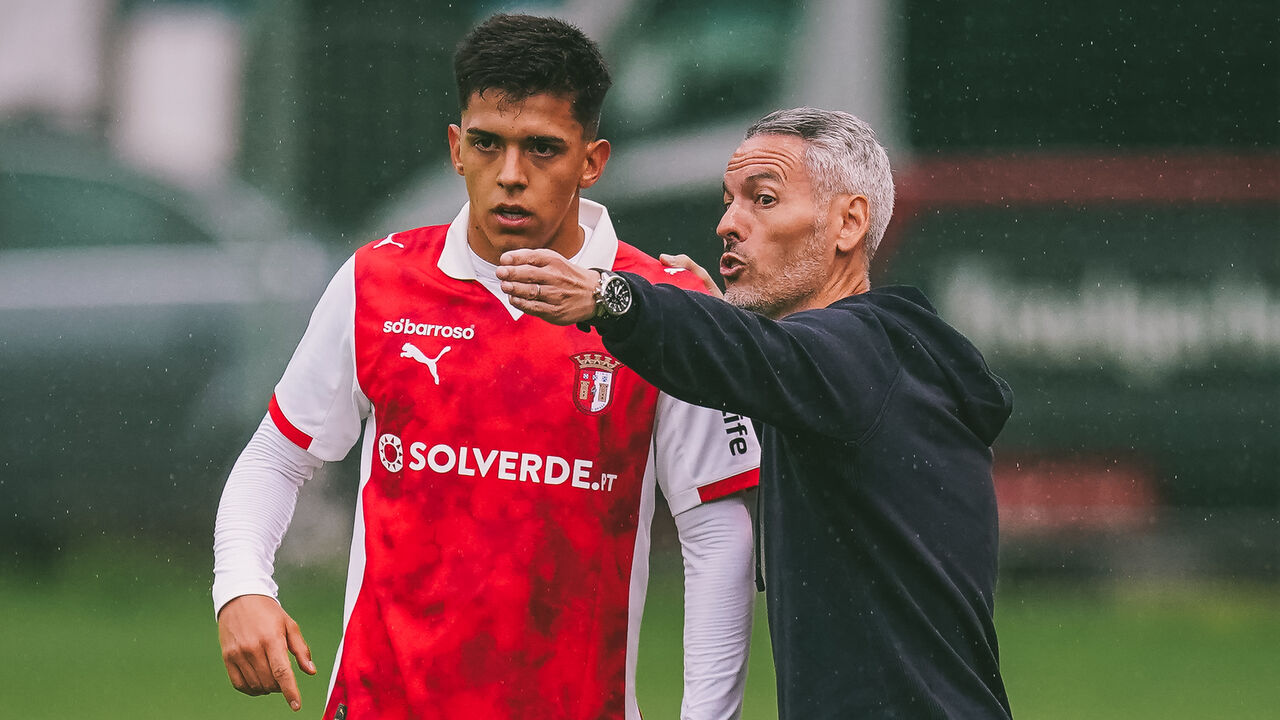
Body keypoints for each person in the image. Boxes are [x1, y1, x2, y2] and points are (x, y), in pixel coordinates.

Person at [212, 14, 760, 720]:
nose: (509, 176)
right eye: (488, 144)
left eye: (542, 149)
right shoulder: (377, 282)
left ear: (591, 161)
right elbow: (277, 457)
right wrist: (241, 586)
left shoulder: (662, 313)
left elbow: (718, 533)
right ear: (455, 148)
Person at [497, 107, 1015, 719]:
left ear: (849, 222)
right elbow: (765, 363)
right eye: (728, 201)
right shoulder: (852, 369)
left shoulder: (863, 353)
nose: (726, 224)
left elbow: (761, 357)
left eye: (763, 199)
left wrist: (610, 298)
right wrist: (720, 323)